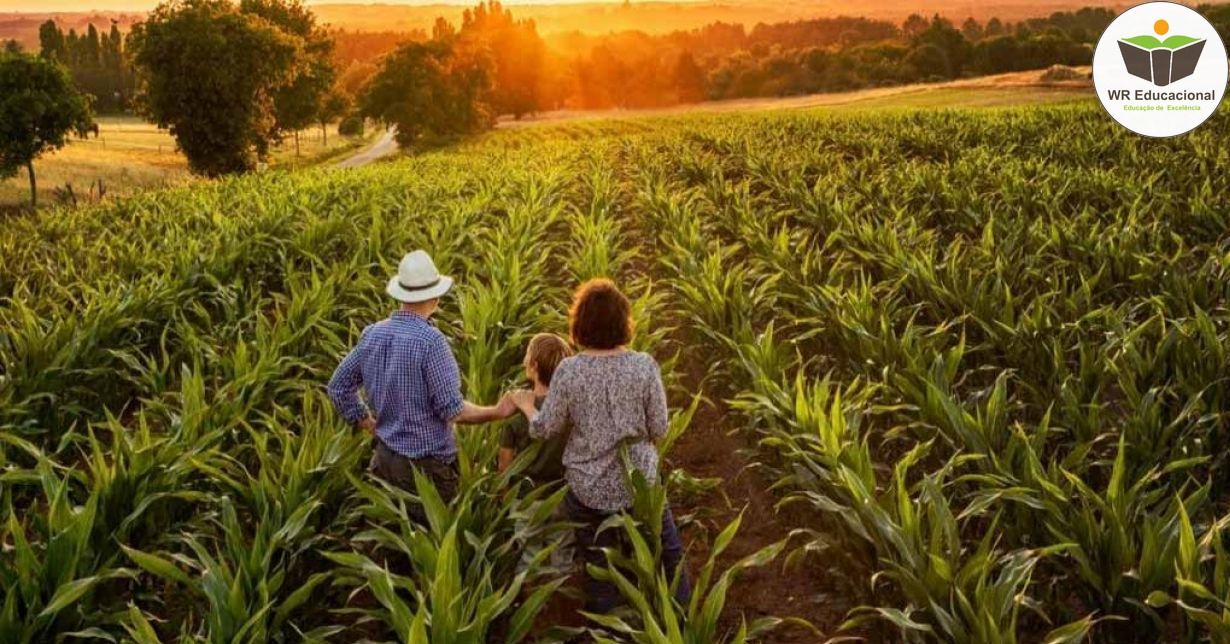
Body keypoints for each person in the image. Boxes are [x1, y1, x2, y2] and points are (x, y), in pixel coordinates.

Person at [508, 279, 692, 614]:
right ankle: (678, 622)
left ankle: (608, 627)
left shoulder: (569, 371)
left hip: (588, 490)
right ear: (624, 323)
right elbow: (660, 428)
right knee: (669, 553)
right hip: (640, 487)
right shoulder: (644, 365)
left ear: (579, 325)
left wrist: (526, 406)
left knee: (598, 566)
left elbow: (545, 428)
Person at [328, 250, 513, 520]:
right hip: (426, 471)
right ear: (435, 298)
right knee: (433, 548)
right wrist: (497, 411)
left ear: (401, 295)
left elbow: (337, 386)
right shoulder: (431, 342)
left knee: (391, 547)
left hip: (383, 460)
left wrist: (365, 421)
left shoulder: (372, 334)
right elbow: (454, 411)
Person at [499, 332, 576, 572]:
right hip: (563, 496)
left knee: (528, 556)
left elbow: (505, 467)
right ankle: (560, 603)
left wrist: (503, 498)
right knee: (562, 553)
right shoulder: (571, 409)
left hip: (526, 500)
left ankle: (534, 603)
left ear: (533, 366)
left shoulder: (517, 414)